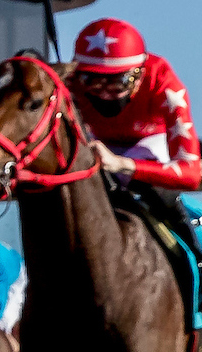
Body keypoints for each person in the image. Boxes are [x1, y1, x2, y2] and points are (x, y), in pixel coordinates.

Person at [66, 18, 202, 257]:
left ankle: (193, 252)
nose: (106, 93)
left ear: (140, 73)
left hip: (149, 142)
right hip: (98, 142)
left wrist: (124, 164)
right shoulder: (70, 82)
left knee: (149, 186)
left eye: (119, 81)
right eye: (92, 80)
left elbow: (192, 174)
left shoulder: (164, 82)